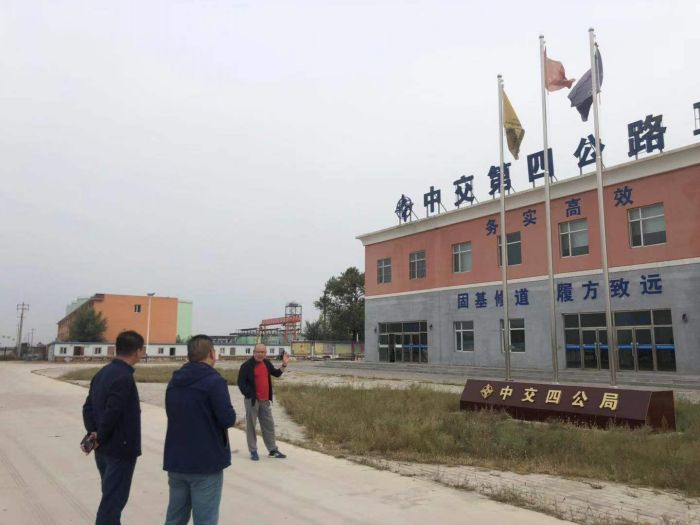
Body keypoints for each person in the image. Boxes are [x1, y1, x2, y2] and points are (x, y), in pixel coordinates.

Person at [163, 334, 236, 525]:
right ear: (212, 353)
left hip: (176, 460)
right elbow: (227, 419)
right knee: (205, 519)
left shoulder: (174, 381)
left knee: (175, 518)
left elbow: (172, 412)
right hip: (205, 462)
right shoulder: (214, 381)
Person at [82, 330, 146, 525]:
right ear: (138, 351)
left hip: (102, 449)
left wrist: (93, 433)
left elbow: (87, 407)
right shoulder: (123, 377)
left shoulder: (102, 374)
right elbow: (113, 412)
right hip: (119, 450)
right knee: (112, 503)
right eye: (143, 350)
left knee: (110, 496)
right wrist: (100, 435)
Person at [237, 343, 290, 461]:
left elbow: (276, 373)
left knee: (269, 425)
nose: (260, 354)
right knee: (251, 426)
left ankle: (272, 450)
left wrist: (284, 364)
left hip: (265, 400)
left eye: (263, 352)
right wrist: (250, 394)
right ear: (254, 352)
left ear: (265, 353)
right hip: (252, 401)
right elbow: (241, 383)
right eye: (258, 352)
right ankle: (253, 451)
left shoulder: (266, 363)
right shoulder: (246, 365)